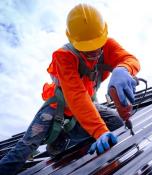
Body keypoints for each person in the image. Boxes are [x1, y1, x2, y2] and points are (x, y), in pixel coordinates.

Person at [0, 3, 140, 175]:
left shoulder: (108, 45)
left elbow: (129, 59)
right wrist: (99, 131)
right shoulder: (64, 56)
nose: (94, 53)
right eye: (87, 51)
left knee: (116, 123)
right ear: (73, 41)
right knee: (25, 147)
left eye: (97, 47)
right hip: (58, 107)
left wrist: (123, 68)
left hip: (86, 105)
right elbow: (76, 96)